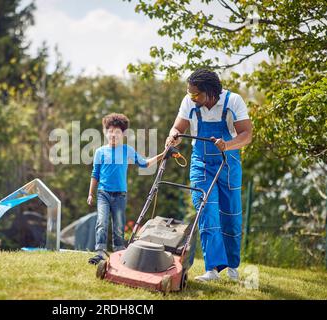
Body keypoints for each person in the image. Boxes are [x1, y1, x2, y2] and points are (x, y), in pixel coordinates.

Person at [165, 69, 253, 282]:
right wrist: (173, 136)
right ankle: (212, 269)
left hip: (228, 164)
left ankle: (232, 266)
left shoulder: (234, 101)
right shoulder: (190, 102)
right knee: (206, 210)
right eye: (190, 93)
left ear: (210, 93)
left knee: (230, 216)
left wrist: (228, 145)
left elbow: (247, 135)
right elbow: (177, 127)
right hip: (201, 163)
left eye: (196, 94)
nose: (192, 97)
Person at [87, 113, 165, 265]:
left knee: (118, 226)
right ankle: (100, 252)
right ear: (105, 132)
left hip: (120, 195)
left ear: (123, 134)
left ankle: (119, 253)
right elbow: (95, 174)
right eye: (110, 131)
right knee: (101, 222)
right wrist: (91, 193)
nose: (113, 135)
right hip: (103, 193)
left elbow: (144, 164)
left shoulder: (127, 150)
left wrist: (163, 154)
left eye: (117, 132)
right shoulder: (100, 152)